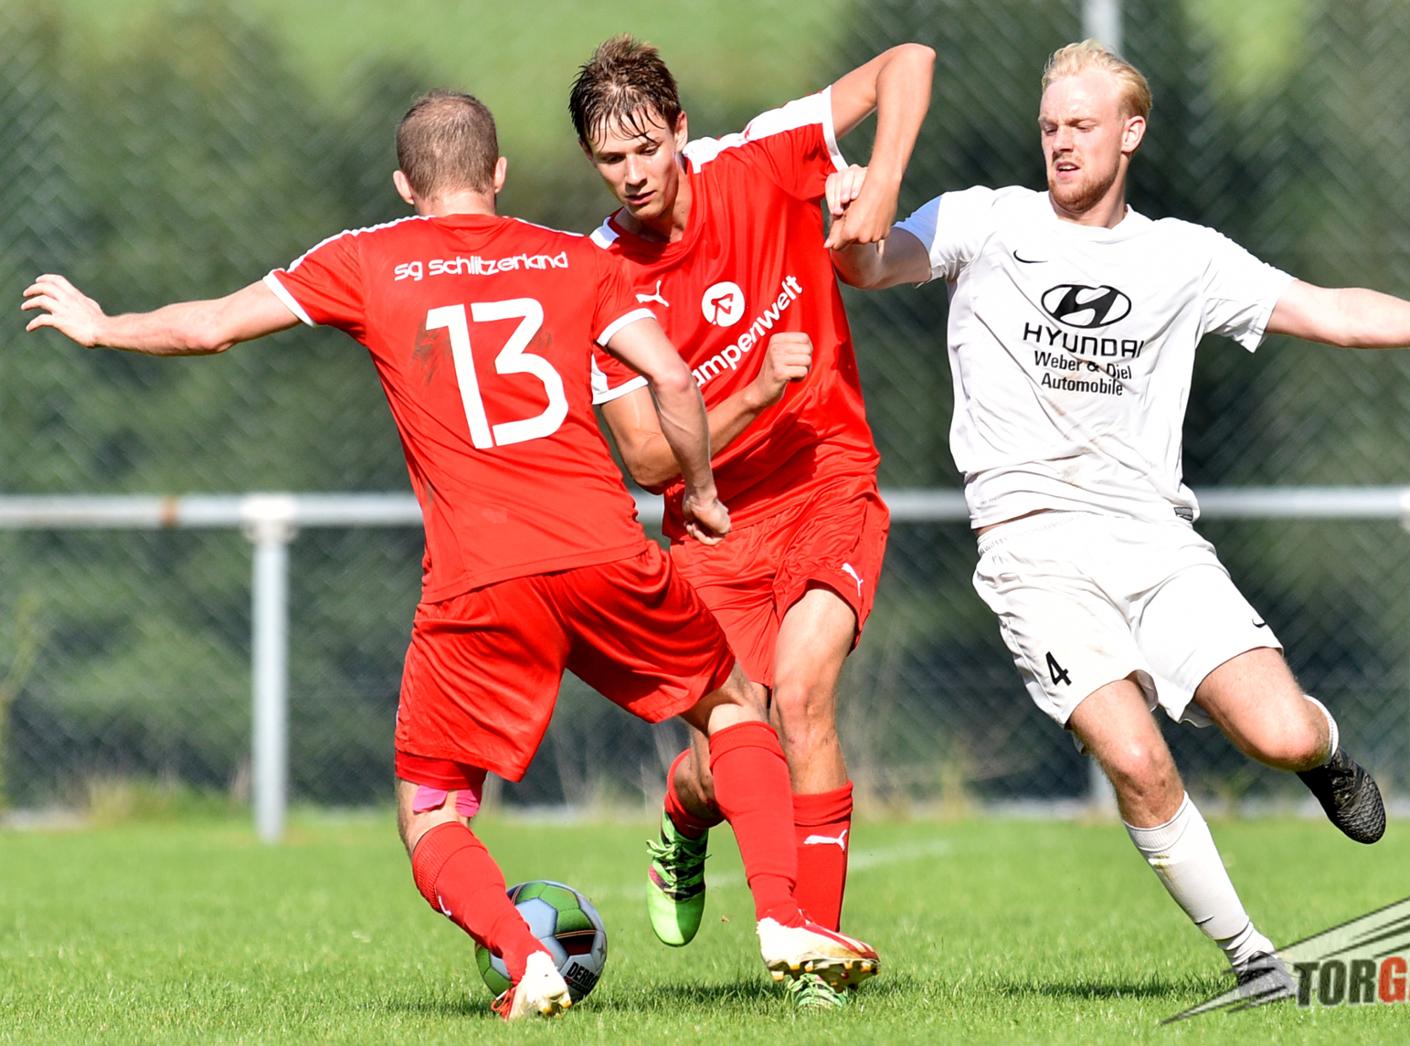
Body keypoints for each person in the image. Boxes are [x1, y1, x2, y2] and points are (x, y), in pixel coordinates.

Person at [21, 89, 879, 1021]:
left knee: (430, 809)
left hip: (479, 577)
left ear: (405, 185)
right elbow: (672, 375)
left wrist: (102, 325)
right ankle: (783, 917)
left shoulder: (365, 257)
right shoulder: (573, 258)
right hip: (603, 547)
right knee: (734, 707)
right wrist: (702, 491)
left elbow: (212, 327)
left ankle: (525, 957)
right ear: (498, 173)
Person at [828, 40, 1410, 993]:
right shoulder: (984, 220)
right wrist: (852, 218)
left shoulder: (1183, 256)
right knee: (1137, 759)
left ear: (1130, 132)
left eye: (1082, 125)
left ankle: (1326, 754)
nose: (1061, 142)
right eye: (1049, 126)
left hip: (1154, 541)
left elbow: (1332, 312)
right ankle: (1254, 959)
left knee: (1280, 736)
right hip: (1031, 554)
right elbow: (870, 266)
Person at [567, 36, 934, 1006]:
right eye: (610, 158)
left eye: (647, 147)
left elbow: (909, 61)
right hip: (712, 524)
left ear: (680, 130)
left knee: (805, 694)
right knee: (726, 759)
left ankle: (815, 961)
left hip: (826, 478)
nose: (633, 173)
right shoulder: (597, 274)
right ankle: (684, 815)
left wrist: (881, 184)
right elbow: (651, 462)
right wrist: (756, 392)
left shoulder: (760, 160)